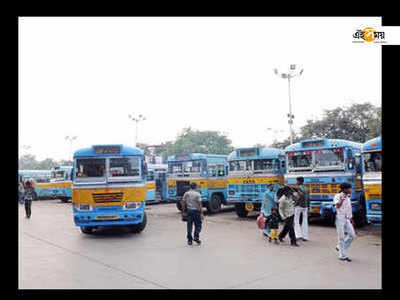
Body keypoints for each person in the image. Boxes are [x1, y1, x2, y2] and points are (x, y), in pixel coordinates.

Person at [334, 182, 356, 262]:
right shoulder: (337, 196)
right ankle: (343, 256)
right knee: (341, 238)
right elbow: (337, 206)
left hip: (346, 219)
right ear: (344, 189)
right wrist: (342, 199)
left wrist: (351, 219)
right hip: (339, 219)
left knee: (352, 235)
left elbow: (348, 209)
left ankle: (340, 248)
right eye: (349, 188)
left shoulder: (348, 197)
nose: (350, 190)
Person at [293, 177, 310, 241]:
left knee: (296, 220)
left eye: (297, 181)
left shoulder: (298, 188)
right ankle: (305, 237)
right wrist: (308, 207)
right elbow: (308, 199)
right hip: (305, 206)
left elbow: (299, 196)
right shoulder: (307, 188)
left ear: (299, 181)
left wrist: (295, 203)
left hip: (299, 206)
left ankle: (298, 235)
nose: (296, 182)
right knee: (305, 221)